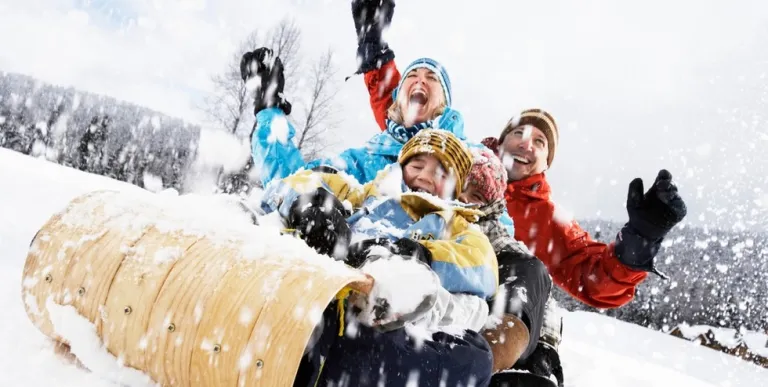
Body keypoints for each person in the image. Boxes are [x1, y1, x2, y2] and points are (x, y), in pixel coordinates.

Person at [259, 129, 497, 387]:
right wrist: (308, 205)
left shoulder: (453, 225)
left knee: (476, 356)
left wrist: (425, 254)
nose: (425, 176)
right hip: (324, 280)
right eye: (417, 165)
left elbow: (482, 265)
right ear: (400, 167)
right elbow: (294, 182)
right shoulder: (361, 195)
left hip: (379, 312)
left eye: (441, 174)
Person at [480, 109, 687, 385]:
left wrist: (638, 242)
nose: (527, 144)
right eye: (519, 133)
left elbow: (592, 275)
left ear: (546, 162)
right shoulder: (459, 168)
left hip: (503, 330)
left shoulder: (548, 219)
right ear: (501, 141)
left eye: (540, 142)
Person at [242, 41, 464, 187]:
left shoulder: (468, 159)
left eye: (432, 78)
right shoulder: (366, 161)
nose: (420, 80)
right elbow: (291, 185)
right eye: (412, 76)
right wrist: (269, 109)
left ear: (445, 104)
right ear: (398, 100)